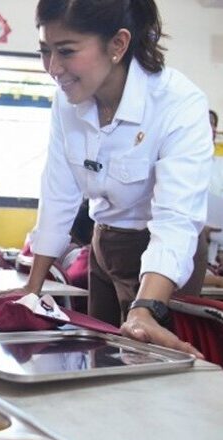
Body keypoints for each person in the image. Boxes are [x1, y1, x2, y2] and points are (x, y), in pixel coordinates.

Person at [25, 0, 211, 358]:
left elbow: (175, 221)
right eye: (45, 51)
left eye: (66, 51)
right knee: (101, 359)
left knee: (146, 363)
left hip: (158, 256)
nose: (53, 68)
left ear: (118, 45)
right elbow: (57, 194)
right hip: (103, 243)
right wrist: (31, 292)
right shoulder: (67, 102)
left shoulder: (178, 103)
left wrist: (148, 308)